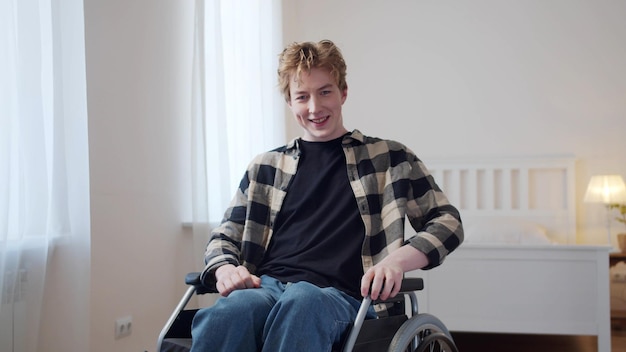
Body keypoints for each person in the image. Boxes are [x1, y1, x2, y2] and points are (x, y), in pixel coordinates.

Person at [190, 39, 463, 352]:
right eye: (302, 96)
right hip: (266, 288)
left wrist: (397, 261)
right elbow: (224, 237)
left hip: (345, 297)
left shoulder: (390, 159)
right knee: (233, 309)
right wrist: (225, 269)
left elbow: (448, 222)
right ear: (289, 102)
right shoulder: (265, 167)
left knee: (302, 301)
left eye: (325, 92)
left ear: (343, 92)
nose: (314, 108)